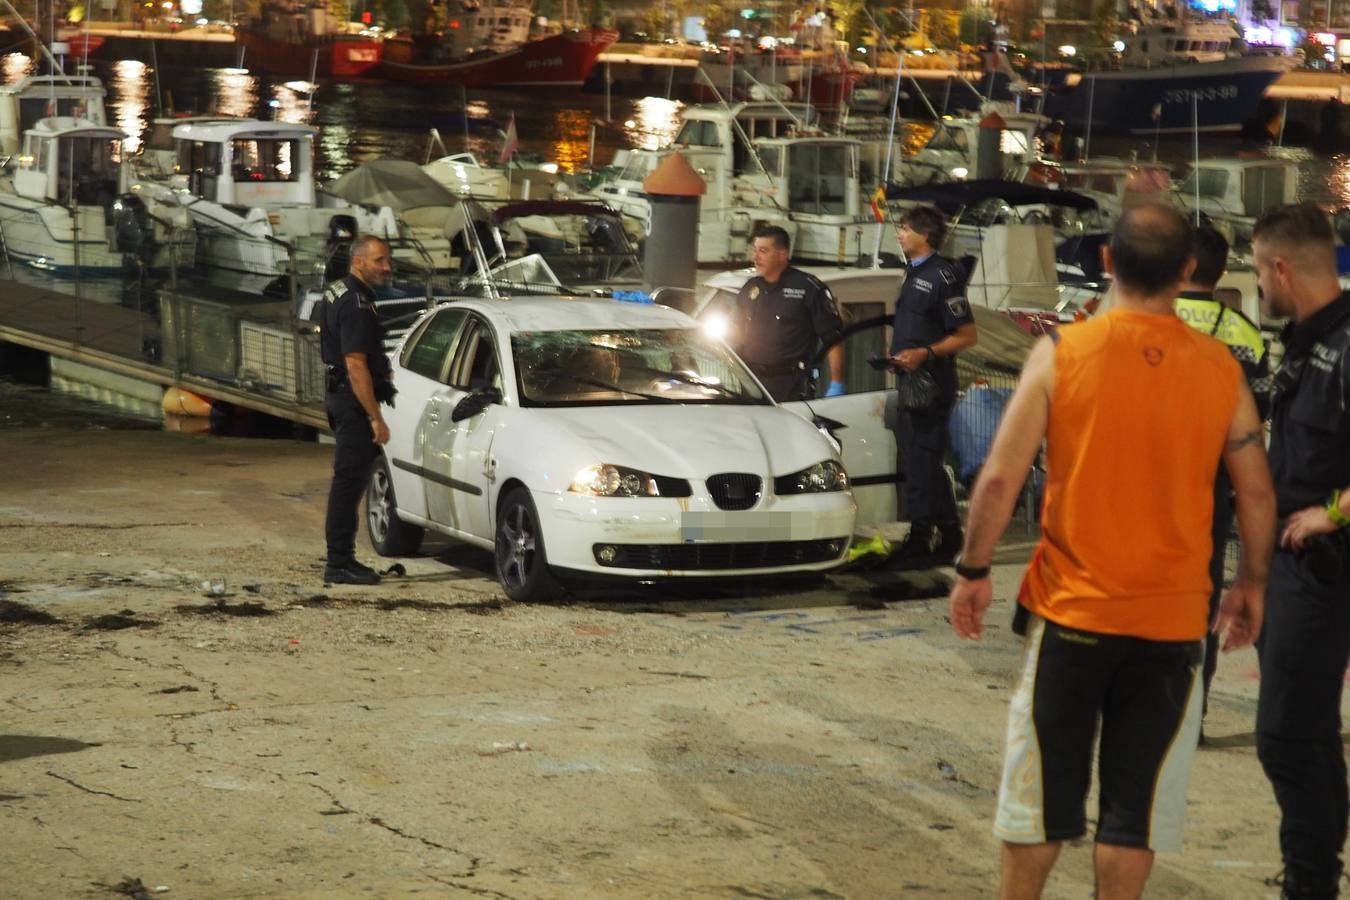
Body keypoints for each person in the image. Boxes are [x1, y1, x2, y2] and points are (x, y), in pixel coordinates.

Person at [947, 205, 1275, 900]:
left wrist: (974, 570)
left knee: (1040, 797)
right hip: (1174, 623)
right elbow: (1254, 490)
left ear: (1105, 263)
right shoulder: (1220, 367)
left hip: (1074, 613)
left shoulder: (1063, 352)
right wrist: (1250, 583)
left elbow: (1001, 477)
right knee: (1136, 813)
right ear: (1188, 271)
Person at [1250, 203, 1350, 899]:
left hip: (1324, 570)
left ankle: (1312, 884)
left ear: (1281, 267)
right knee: (1301, 731)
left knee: (1288, 735)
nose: (1257, 284)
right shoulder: (1306, 338)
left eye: (1258, 269)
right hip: (1296, 574)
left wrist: (1332, 515)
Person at [1174, 225, 1272, 737]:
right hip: (1216, 483)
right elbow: (1261, 407)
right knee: (1204, 599)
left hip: (1154, 479)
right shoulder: (1242, 331)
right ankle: (1195, 713)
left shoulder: (1149, 321)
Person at [889, 205, 977, 564]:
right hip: (910, 380)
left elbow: (967, 335)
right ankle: (950, 532)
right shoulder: (911, 274)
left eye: (905, 229)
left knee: (922, 461)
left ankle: (921, 537)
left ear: (924, 236)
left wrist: (925, 352)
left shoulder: (943, 277)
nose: (899, 234)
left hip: (930, 383)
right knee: (921, 458)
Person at [316, 235, 396, 586]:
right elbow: (356, 364)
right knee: (348, 483)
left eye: (387, 260)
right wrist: (374, 416)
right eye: (379, 260)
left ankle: (341, 559)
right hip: (352, 400)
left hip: (341, 395)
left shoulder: (337, 290)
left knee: (347, 481)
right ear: (359, 261)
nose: (387, 266)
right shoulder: (357, 303)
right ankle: (339, 563)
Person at [731, 224, 846, 402]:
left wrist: (836, 382)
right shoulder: (750, 289)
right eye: (754, 250)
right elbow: (735, 333)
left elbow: (833, 339)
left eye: (763, 251)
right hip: (752, 382)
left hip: (791, 384)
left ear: (782, 255)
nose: (755, 257)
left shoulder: (808, 288)